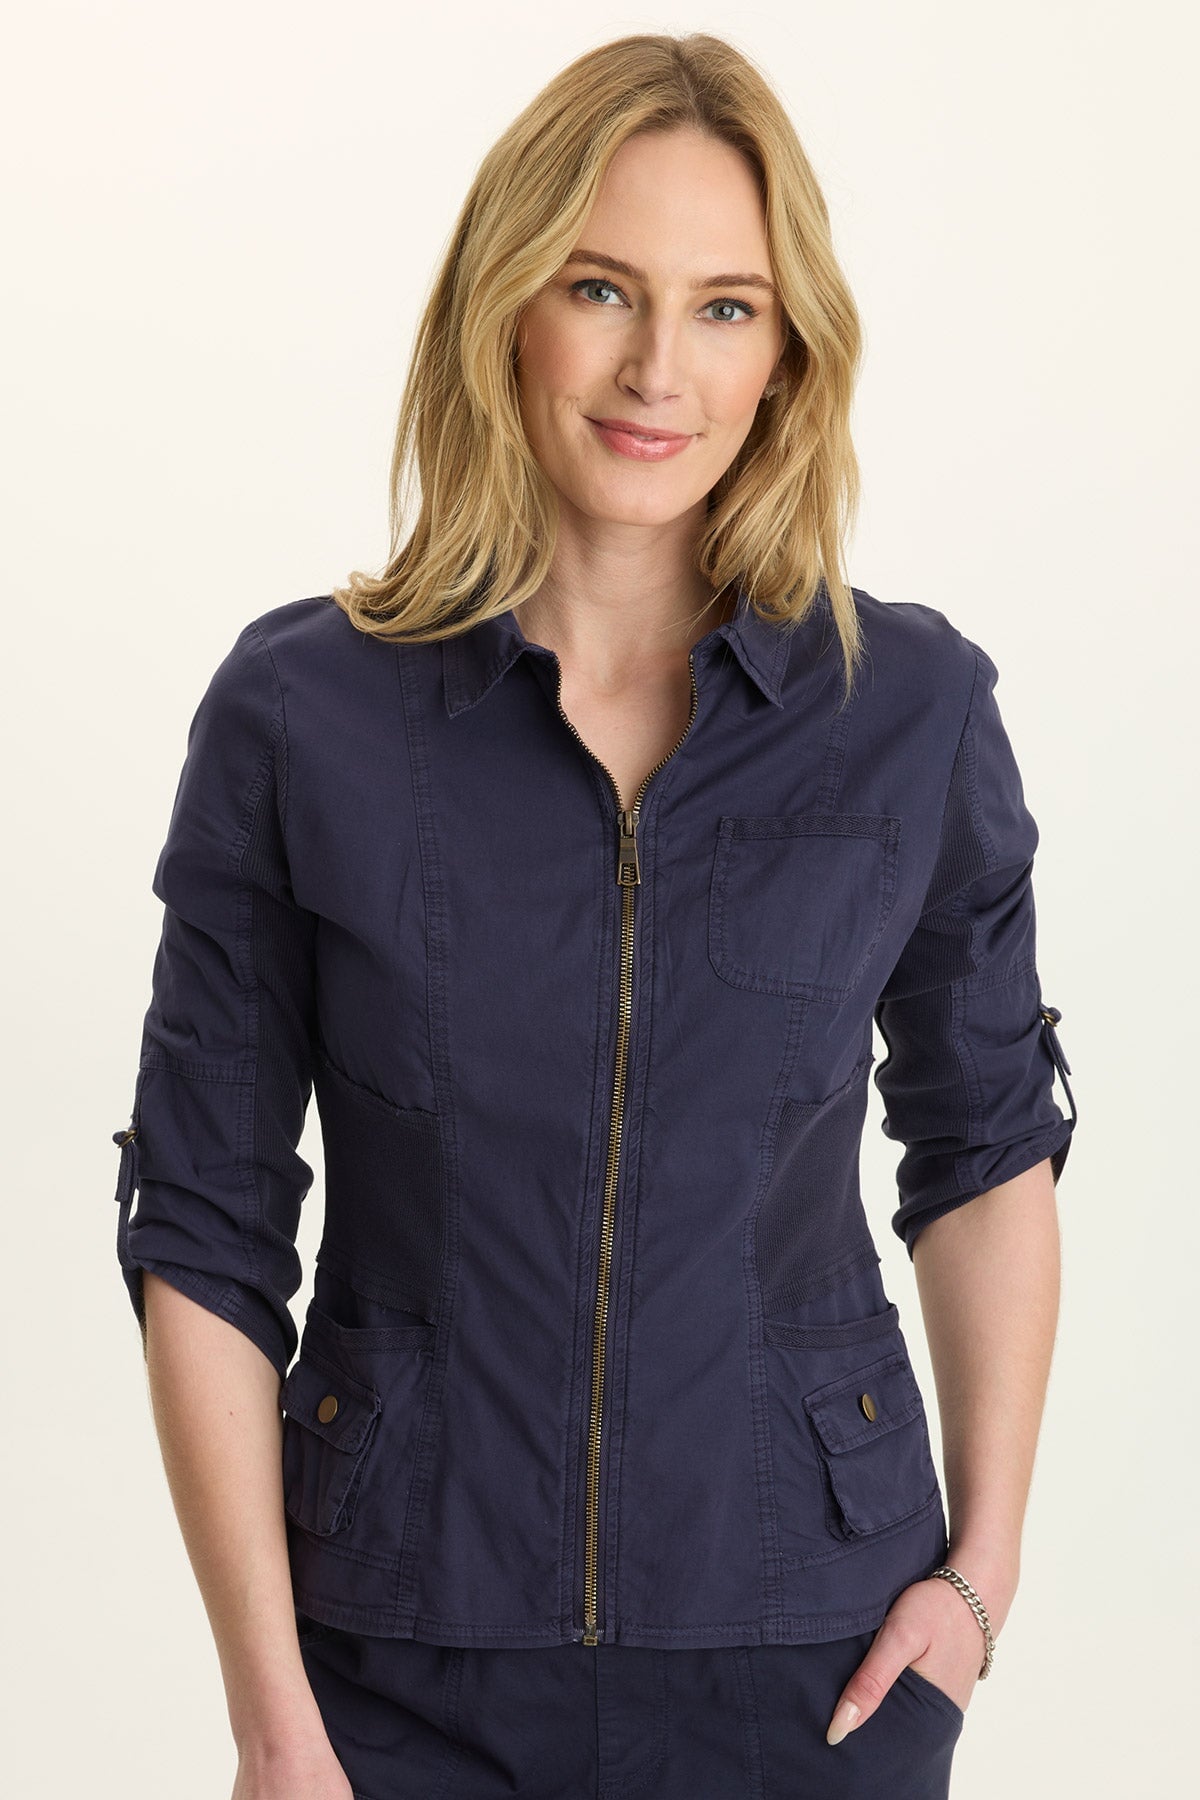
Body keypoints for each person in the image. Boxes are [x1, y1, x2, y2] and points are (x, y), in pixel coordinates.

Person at [111, 30, 1077, 1800]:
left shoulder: (912, 712)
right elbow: (202, 1221)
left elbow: (988, 1145)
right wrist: (270, 1718)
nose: (656, 368)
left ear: (788, 355)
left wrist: (982, 1579)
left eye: (725, 307)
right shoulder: (300, 717)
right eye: (601, 287)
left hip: (816, 1654)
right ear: (507, 306)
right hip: (391, 1661)